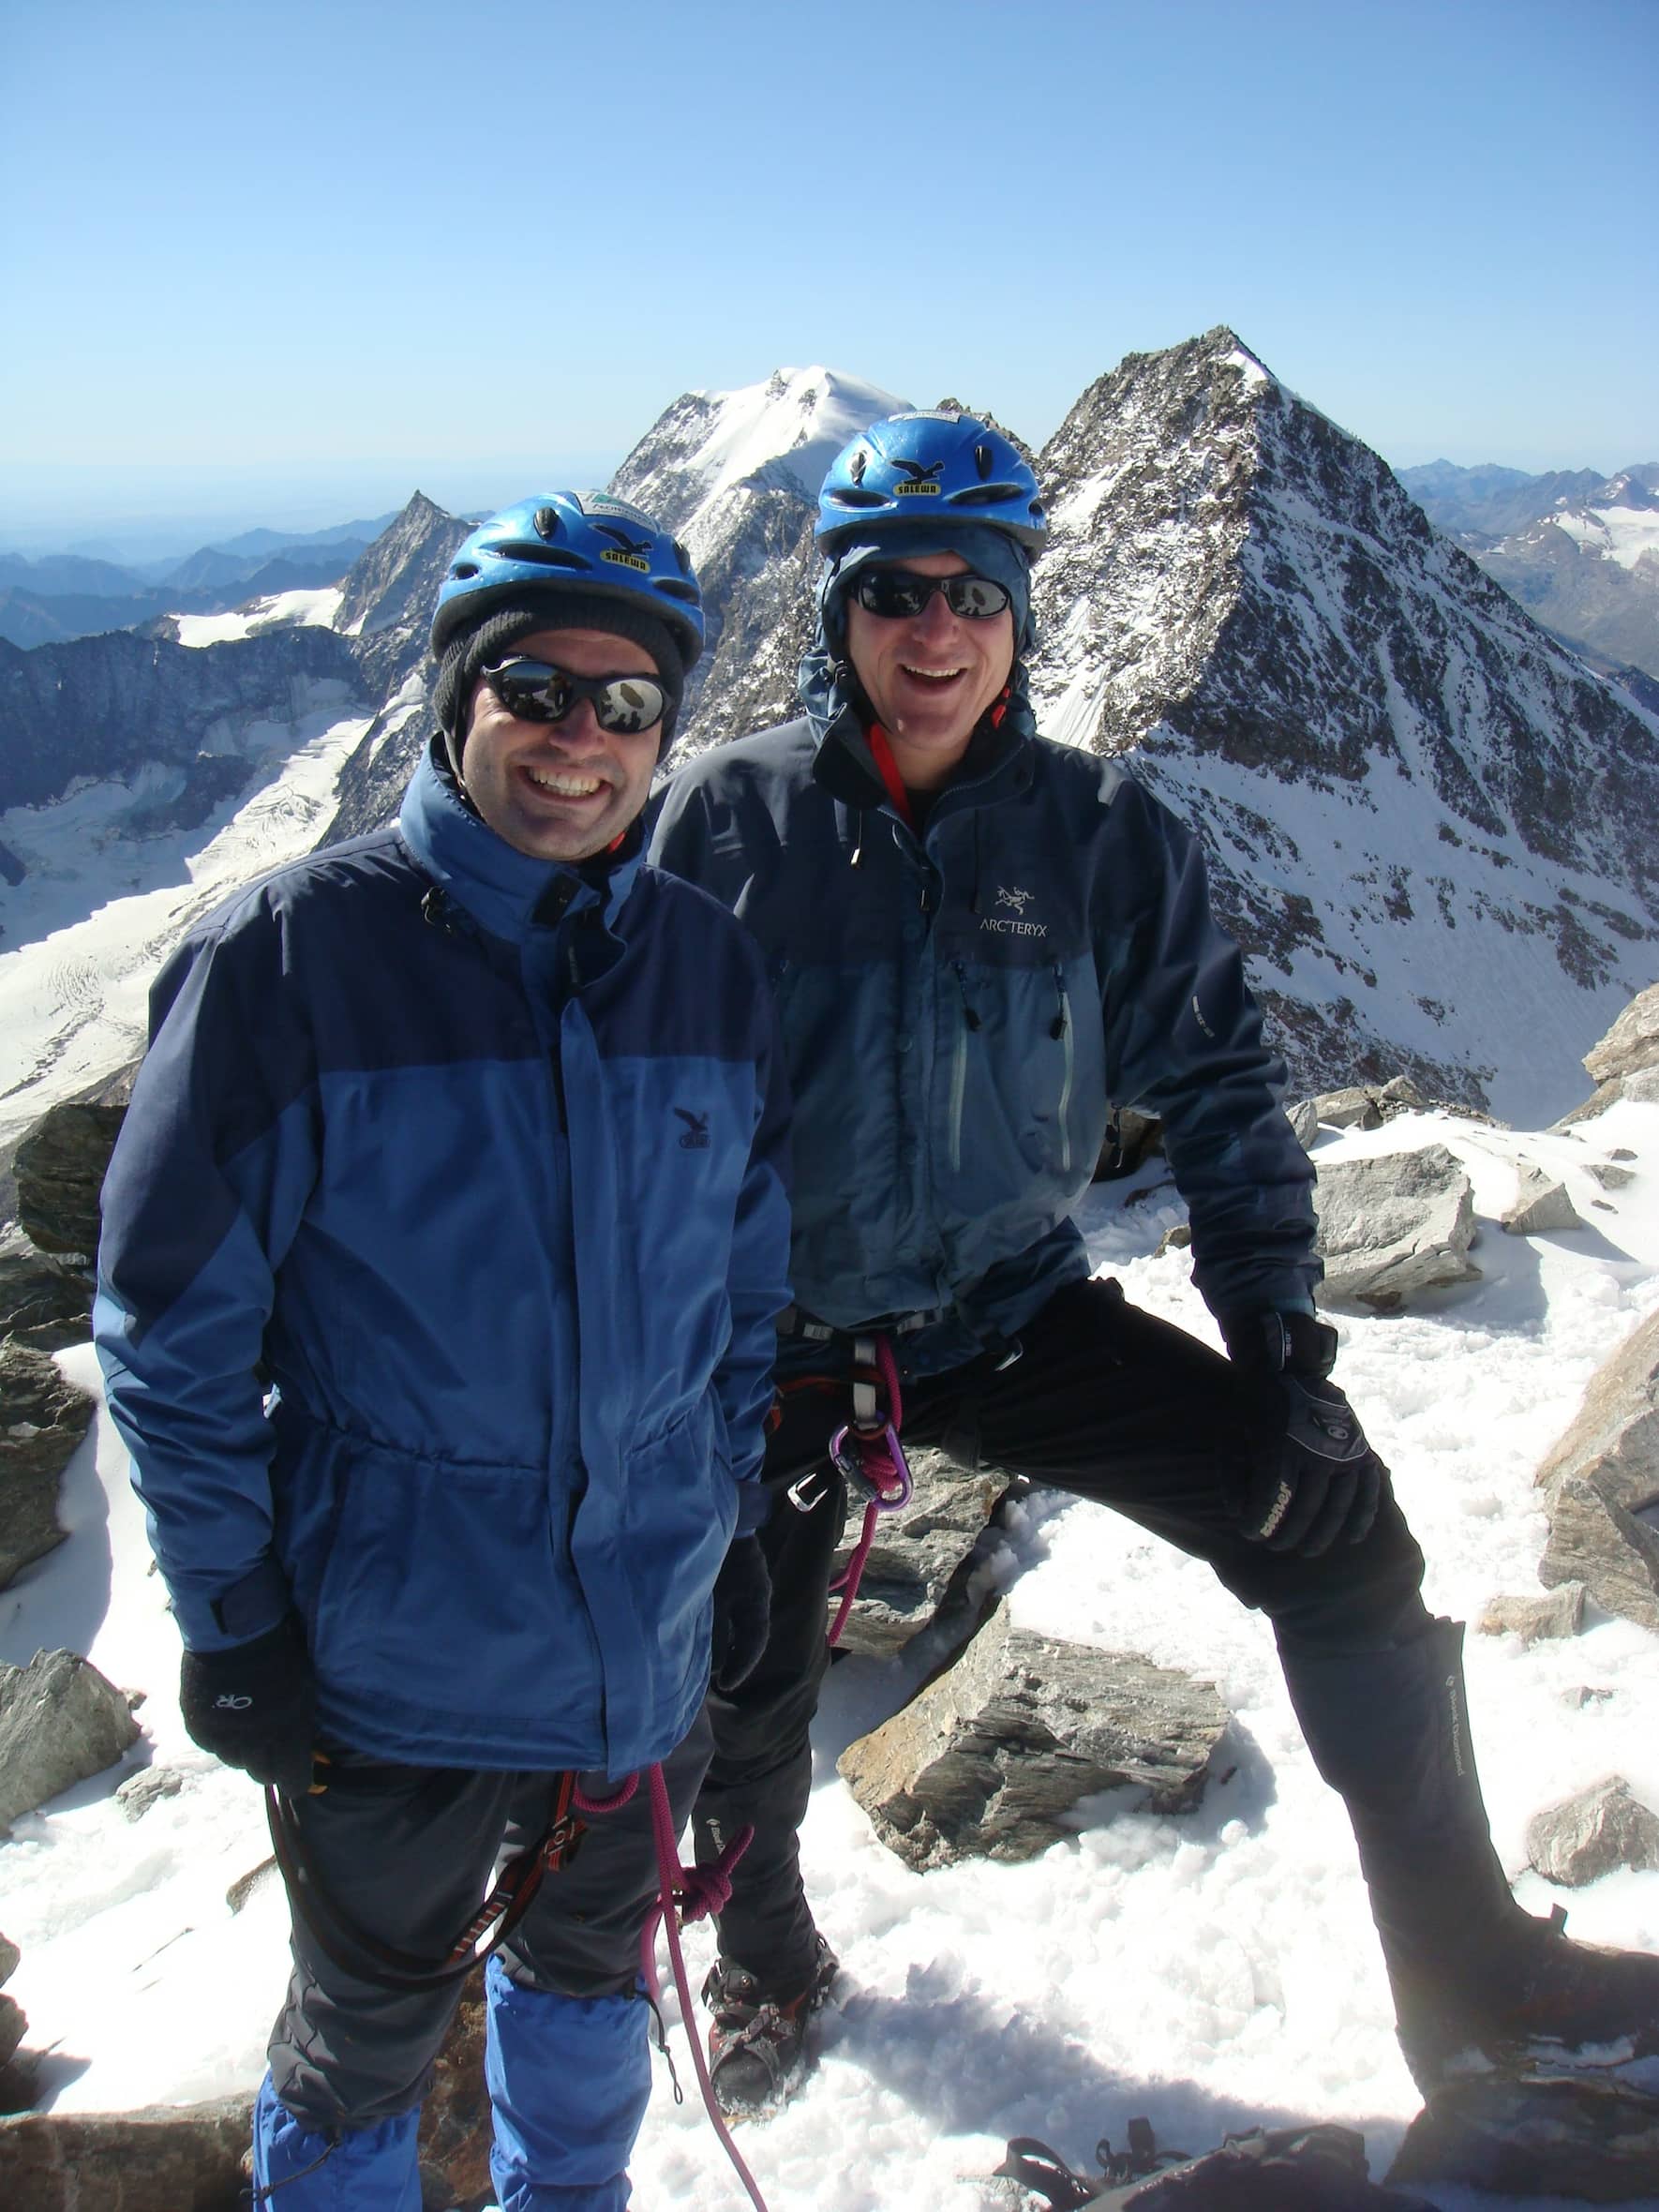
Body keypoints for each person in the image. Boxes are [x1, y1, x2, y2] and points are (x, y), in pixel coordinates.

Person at [649, 410, 1659, 2113]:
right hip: (779, 1340)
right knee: (741, 1679)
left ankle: (1474, 1974)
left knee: (1340, 1542)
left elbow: (1219, 1094)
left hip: (1011, 1314)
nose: (934, 627)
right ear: (839, 612)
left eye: (973, 590)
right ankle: (768, 1958)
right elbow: (627, 1104)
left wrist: (1280, 1351)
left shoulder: (1098, 832)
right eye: (892, 589)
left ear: (1019, 613)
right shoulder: (723, 825)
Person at [95, 491, 791, 2212]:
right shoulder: (289, 961)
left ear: (666, 731)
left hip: (638, 1635)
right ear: (455, 696)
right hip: (389, 1656)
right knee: (363, 2036)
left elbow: (741, 1288)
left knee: (594, 1971)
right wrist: (235, 1621)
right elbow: (173, 1337)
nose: (579, 738)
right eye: (533, 690)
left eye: (625, 703)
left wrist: (718, 1512)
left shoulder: (703, 966)